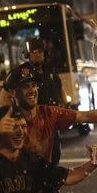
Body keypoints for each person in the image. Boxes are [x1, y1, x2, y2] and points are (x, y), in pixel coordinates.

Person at [25, 37, 67, 166]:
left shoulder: (51, 73)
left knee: (54, 156)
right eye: (33, 52)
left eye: (40, 51)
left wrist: (65, 109)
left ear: (44, 54)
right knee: (34, 158)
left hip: (51, 122)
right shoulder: (22, 73)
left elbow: (61, 93)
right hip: (33, 123)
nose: (37, 54)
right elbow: (6, 95)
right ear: (28, 55)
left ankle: (52, 182)